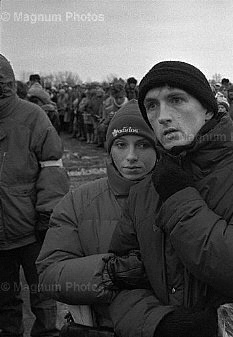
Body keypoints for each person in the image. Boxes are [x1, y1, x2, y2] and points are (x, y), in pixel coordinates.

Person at [107, 61, 233, 337]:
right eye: (152, 106)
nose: (162, 117)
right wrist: (159, 323)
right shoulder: (144, 190)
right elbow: (122, 277)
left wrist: (178, 196)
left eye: (176, 100)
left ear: (207, 109)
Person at [36, 100, 157, 330]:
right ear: (109, 148)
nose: (131, 156)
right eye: (121, 144)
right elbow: (50, 274)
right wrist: (110, 272)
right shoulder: (78, 202)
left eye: (143, 145)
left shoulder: (180, 198)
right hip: (102, 328)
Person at [0, 54, 69, 337]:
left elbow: (52, 167)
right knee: (4, 298)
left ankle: (47, 333)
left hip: (31, 227)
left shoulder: (32, 116)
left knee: (42, 292)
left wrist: (48, 213)